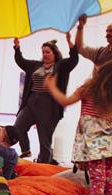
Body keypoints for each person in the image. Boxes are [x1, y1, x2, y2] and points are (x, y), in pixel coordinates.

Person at [45, 60, 112, 195]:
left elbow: (65, 101)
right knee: (109, 176)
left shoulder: (88, 88)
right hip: (110, 142)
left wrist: (52, 87)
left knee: (97, 178)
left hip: (95, 143)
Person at [13, 33, 79, 164]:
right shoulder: (35, 65)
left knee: (44, 141)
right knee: (18, 127)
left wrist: (71, 44)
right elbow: (21, 61)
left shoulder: (61, 66)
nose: (44, 54)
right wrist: (17, 48)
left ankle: (43, 166)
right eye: (43, 52)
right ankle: (25, 149)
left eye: (47, 52)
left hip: (49, 105)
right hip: (31, 101)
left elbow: (73, 60)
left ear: (55, 53)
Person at [75, 15, 112, 134]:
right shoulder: (100, 52)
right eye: (106, 31)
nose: (107, 33)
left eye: (111, 30)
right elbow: (80, 47)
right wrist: (80, 27)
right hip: (101, 102)